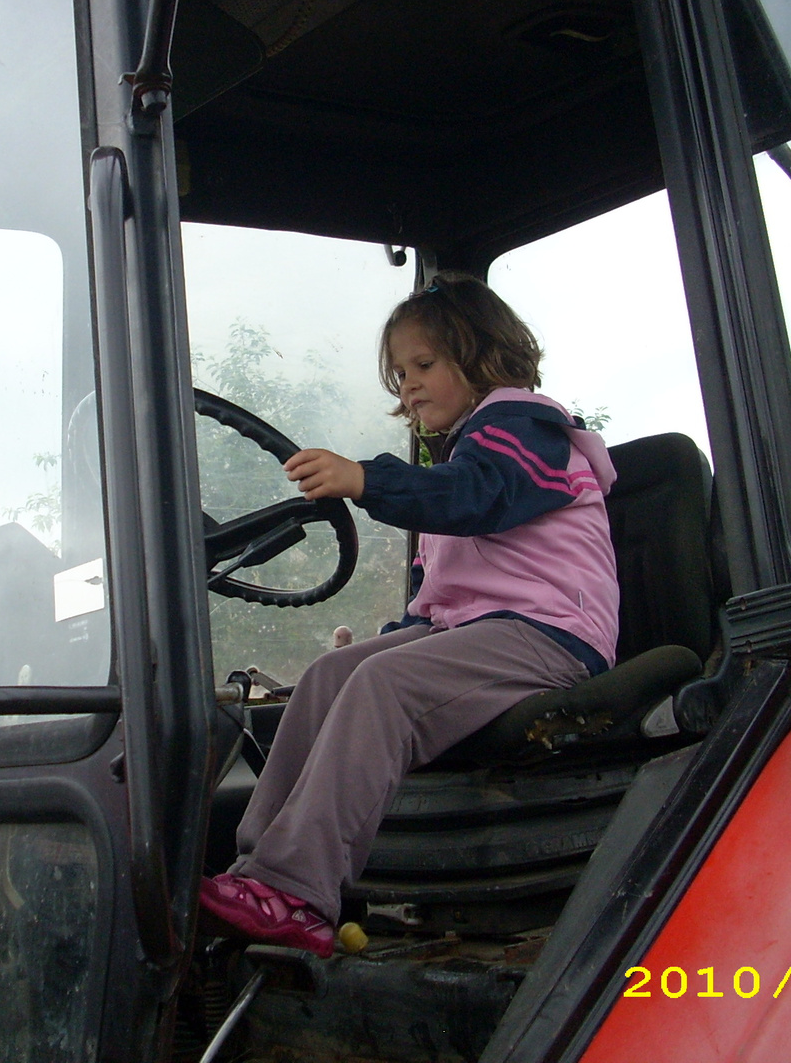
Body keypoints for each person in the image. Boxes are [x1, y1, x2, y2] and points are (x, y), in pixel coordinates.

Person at [198, 272, 619, 956]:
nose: (408, 385)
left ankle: (297, 892)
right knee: (330, 676)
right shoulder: (463, 456)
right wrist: (399, 634)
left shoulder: (527, 428)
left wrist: (368, 479)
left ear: (482, 356)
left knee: (380, 686)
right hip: (482, 630)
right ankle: (259, 875)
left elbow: (478, 497)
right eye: (399, 373)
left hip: (550, 637)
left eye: (423, 365)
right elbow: (446, 590)